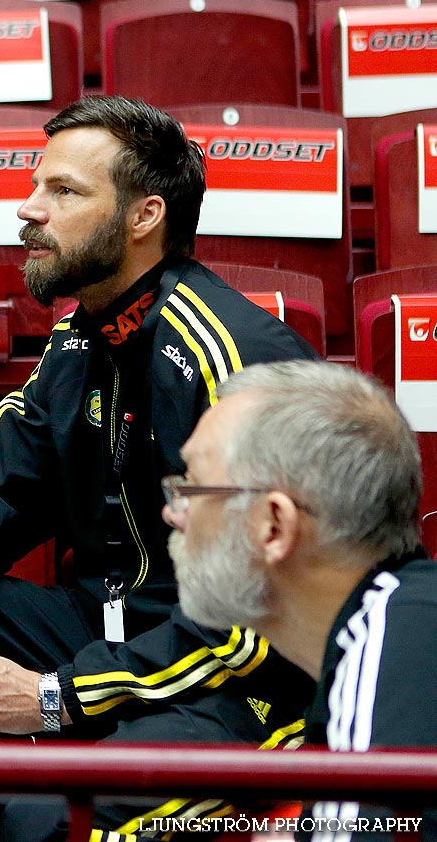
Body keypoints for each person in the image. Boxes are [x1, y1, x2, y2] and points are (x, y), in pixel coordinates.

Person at [0, 95, 318, 841]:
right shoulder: (80, 338)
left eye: (64, 191)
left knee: (49, 820)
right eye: (38, 186)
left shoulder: (235, 355)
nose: (27, 209)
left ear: (144, 217)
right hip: (108, 638)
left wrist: (54, 695)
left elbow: (254, 629)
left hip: (236, 688)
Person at [165, 360, 437, 842]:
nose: (173, 512)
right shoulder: (402, 623)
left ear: (273, 525)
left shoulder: (385, 655)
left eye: (191, 485)